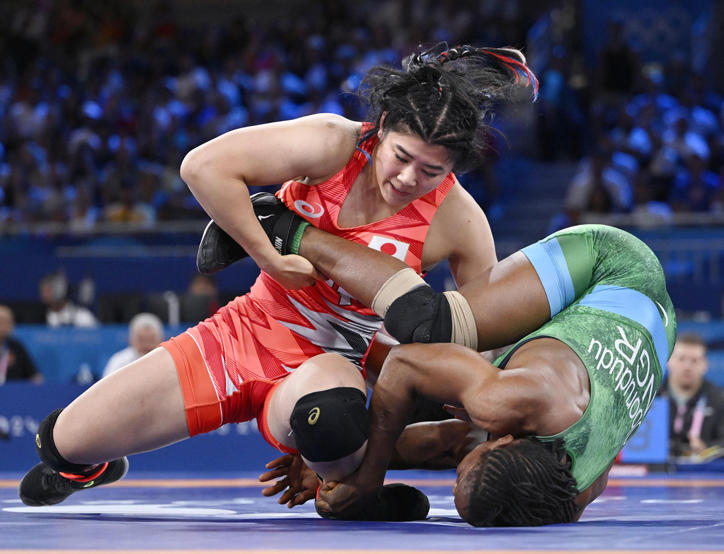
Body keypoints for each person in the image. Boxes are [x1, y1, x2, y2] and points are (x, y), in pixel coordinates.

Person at [18, 43, 538, 508]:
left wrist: (466, 404)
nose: (407, 179)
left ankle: (351, 474)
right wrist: (268, 257)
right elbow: (202, 166)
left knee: (330, 421)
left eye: (431, 171)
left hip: (328, 366)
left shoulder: (460, 220)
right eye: (401, 157)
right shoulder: (332, 143)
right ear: (381, 128)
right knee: (60, 443)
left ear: (454, 169)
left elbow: (484, 331)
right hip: (241, 334)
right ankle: (90, 467)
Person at [245, 217, 676, 525]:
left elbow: (449, 444)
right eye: (463, 474)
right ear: (505, 439)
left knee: (452, 412)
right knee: (434, 324)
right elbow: (404, 364)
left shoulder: (570, 494)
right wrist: (369, 477)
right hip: (613, 269)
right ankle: (287, 228)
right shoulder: (511, 400)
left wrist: (339, 468)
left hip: (658, 326)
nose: (453, 478)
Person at [659, 332, 724, 459]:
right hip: (655, 468)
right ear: (669, 361)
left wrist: (707, 449)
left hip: (702, 469)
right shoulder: (652, 397)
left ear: (705, 365)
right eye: (681, 359)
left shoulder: (719, 399)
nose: (687, 366)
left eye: (694, 360)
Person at [101, 313, 165, 378]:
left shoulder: (166, 360)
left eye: (151, 339)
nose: (146, 345)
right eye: (141, 339)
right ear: (131, 339)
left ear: (161, 339)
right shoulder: (120, 361)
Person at [0, 304, 43, 384]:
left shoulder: (16, 347)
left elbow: (35, 376)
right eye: (1, 321)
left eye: (8, 322)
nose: (4, 326)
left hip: (14, 390)